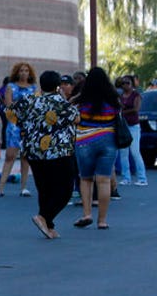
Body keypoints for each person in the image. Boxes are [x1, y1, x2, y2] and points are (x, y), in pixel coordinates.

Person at [14, 70, 78, 239]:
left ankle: (48, 226)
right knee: (65, 189)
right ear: (58, 86)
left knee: (44, 188)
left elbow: (14, 114)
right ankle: (44, 217)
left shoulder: (29, 100)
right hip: (58, 150)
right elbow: (76, 118)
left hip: (33, 150)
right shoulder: (61, 103)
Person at [72, 67, 121, 230]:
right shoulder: (114, 99)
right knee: (104, 180)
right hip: (108, 141)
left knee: (85, 179)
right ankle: (102, 220)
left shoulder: (83, 100)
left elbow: (71, 113)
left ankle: (87, 214)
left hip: (85, 141)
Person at [0, 61, 39, 197]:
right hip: (14, 124)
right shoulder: (11, 86)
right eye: (21, 70)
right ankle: (0, 188)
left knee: (25, 157)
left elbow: (36, 106)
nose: (24, 73)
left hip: (29, 125)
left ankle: (24, 187)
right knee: (10, 156)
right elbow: (8, 106)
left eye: (26, 71)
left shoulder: (33, 88)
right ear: (17, 72)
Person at [114, 75, 146, 186]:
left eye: (127, 82)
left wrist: (123, 112)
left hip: (134, 126)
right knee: (123, 153)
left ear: (131, 83)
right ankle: (126, 177)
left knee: (135, 152)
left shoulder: (136, 95)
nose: (125, 85)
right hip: (124, 126)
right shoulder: (121, 95)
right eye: (123, 83)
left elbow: (136, 109)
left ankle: (142, 178)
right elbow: (119, 107)